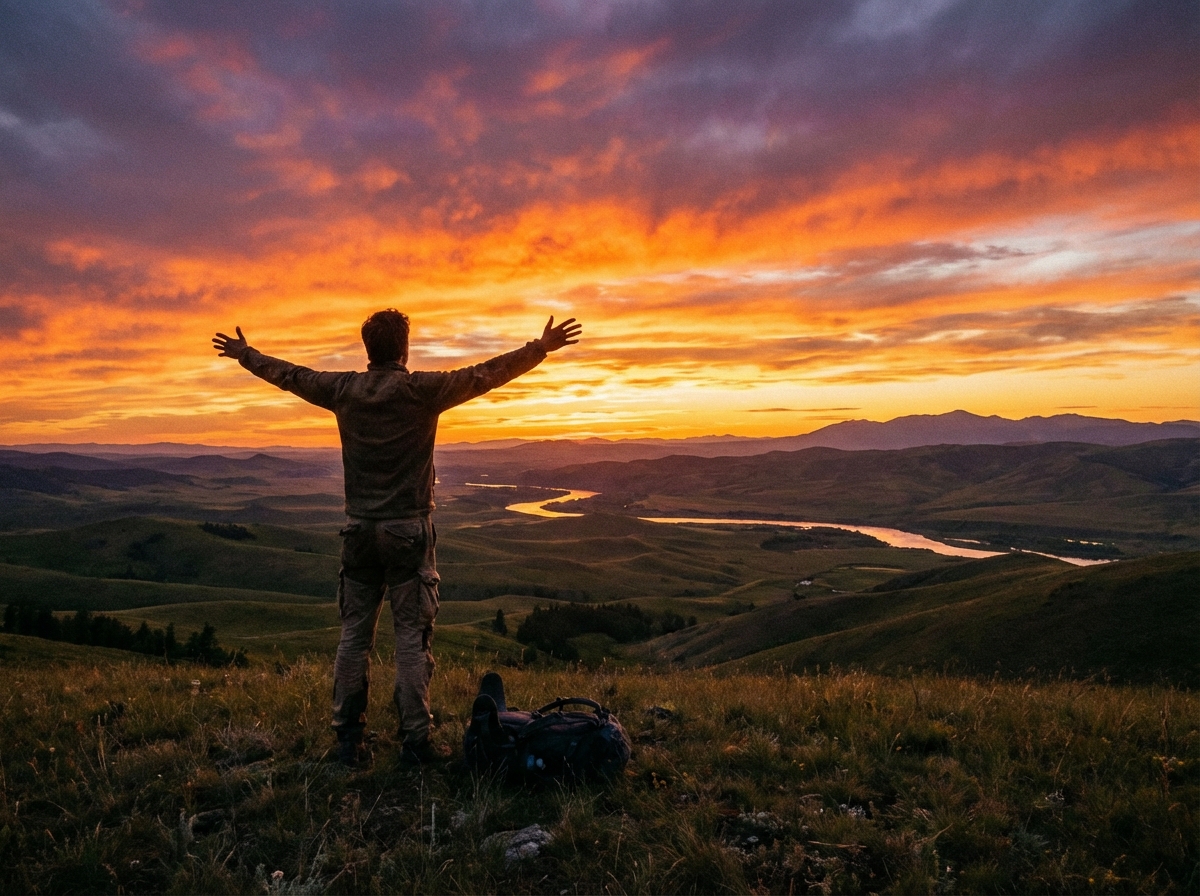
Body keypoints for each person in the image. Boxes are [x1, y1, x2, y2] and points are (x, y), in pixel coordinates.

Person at [212, 311, 582, 767]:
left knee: (353, 638)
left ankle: (349, 742)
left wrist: (245, 354)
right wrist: (540, 348)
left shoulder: (343, 389)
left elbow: (289, 375)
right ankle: (415, 744)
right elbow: (485, 375)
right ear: (404, 348)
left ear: (368, 349)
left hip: (359, 530)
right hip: (408, 531)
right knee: (410, 638)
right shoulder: (420, 391)